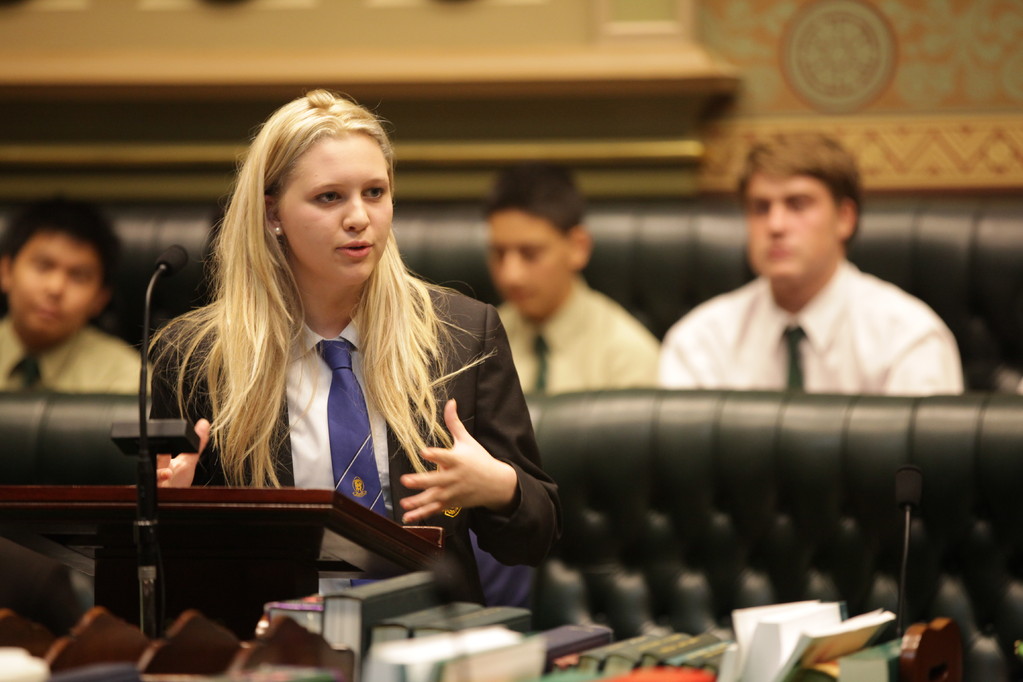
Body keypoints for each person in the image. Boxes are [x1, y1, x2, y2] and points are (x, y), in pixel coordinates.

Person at [150, 90, 561, 606]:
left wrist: (500, 487)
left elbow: (535, 537)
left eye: (374, 192)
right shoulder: (196, 359)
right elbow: (163, 571)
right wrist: (171, 511)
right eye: (329, 197)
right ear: (273, 213)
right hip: (274, 648)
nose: (359, 218)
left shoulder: (460, 333)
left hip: (422, 641)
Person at [659, 133, 963, 395]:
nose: (776, 225)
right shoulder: (700, 341)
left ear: (844, 218)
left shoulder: (907, 337)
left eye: (797, 204)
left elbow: (921, 462)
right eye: (760, 208)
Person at [484, 162, 660, 394]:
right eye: (499, 253)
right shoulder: (479, 346)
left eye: (530, 254)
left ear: (578, 247)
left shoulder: (627, 355)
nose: (511, 276)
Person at [0, 198, 140, 393]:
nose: (55, 288)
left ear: (100, 298)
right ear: (6, 271)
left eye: (78, 276)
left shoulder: (127, 379)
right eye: (43, 266)